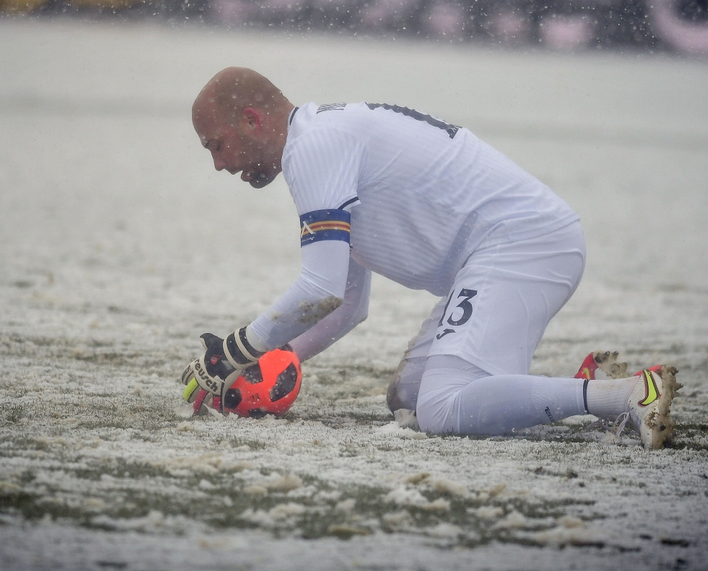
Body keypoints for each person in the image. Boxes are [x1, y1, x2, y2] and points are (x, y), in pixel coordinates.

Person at [180, 67, 681, 449]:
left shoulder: (314, 150)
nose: (218, 164)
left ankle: (628, 395)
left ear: (251, 119)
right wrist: (277, 358)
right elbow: (349, 303)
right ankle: (580, 391)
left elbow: (321, 290)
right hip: (509, 250)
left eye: (216, 145)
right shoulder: (319, 144)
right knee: (411, 398)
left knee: (442, 409)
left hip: (524, 244)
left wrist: (231, 353)